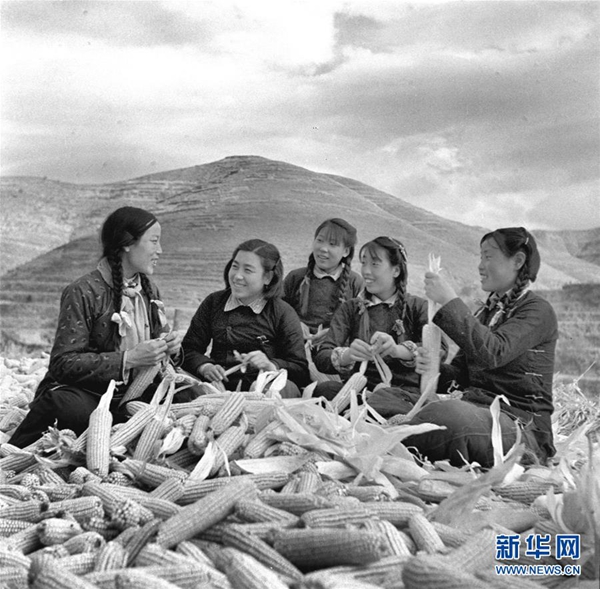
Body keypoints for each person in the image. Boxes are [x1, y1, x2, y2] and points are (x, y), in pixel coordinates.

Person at [9, 206, 183, 448]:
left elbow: (160, 346)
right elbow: (63, 363)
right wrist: (128, 359)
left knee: (186, 396)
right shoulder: (82, 291)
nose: (160, 250)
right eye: (154, 241)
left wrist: (170, 348)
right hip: (88, 393)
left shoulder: (149, 290)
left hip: (134, 393)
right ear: (127, 243)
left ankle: (119, 428)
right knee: (68, 408)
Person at [403, 227, 558, 467]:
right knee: (391, 396)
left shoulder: (537, 311)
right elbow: (460, 377)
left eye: (488, 257)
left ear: (518, 261)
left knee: (447, 417)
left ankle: (405, 433)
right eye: (480, 257)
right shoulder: (486, 313)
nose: (480, 266)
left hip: (520, 427)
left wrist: (449, 301)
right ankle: (408, 430)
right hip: (476, 410)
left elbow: (493, 352)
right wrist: (432, 367)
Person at [313, 236, 440, 413]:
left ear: (396, 270)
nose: (366, 271)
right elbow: (323, 356)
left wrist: (397, 350)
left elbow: (438, 349)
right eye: (363, 263)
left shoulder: (417, 307)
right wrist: (348, 355)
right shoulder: (350, 308)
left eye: (374, 264)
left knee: (388, 401)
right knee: (325, 390)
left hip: (402, 395)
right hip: (358, 392)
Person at [181, 239, 309, 397]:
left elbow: (300, 370)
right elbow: (188, 350)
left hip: (263, 393)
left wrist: (270, 365)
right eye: (235, 266)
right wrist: (205, 367)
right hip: (218, 390)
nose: (237, 276)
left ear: (268, 277)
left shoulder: (283, 312)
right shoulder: (213, 302)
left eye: (248, 270)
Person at [283, 218, 363, 343]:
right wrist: (294, 323)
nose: (323, 249)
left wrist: (335, 333)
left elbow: (361, 325)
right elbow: (277, 311)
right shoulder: (295, 277)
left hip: (335, 349)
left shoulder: (355, 283)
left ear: (346, 251)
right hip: (295, 344)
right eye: (320, 240)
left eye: (332, 244)